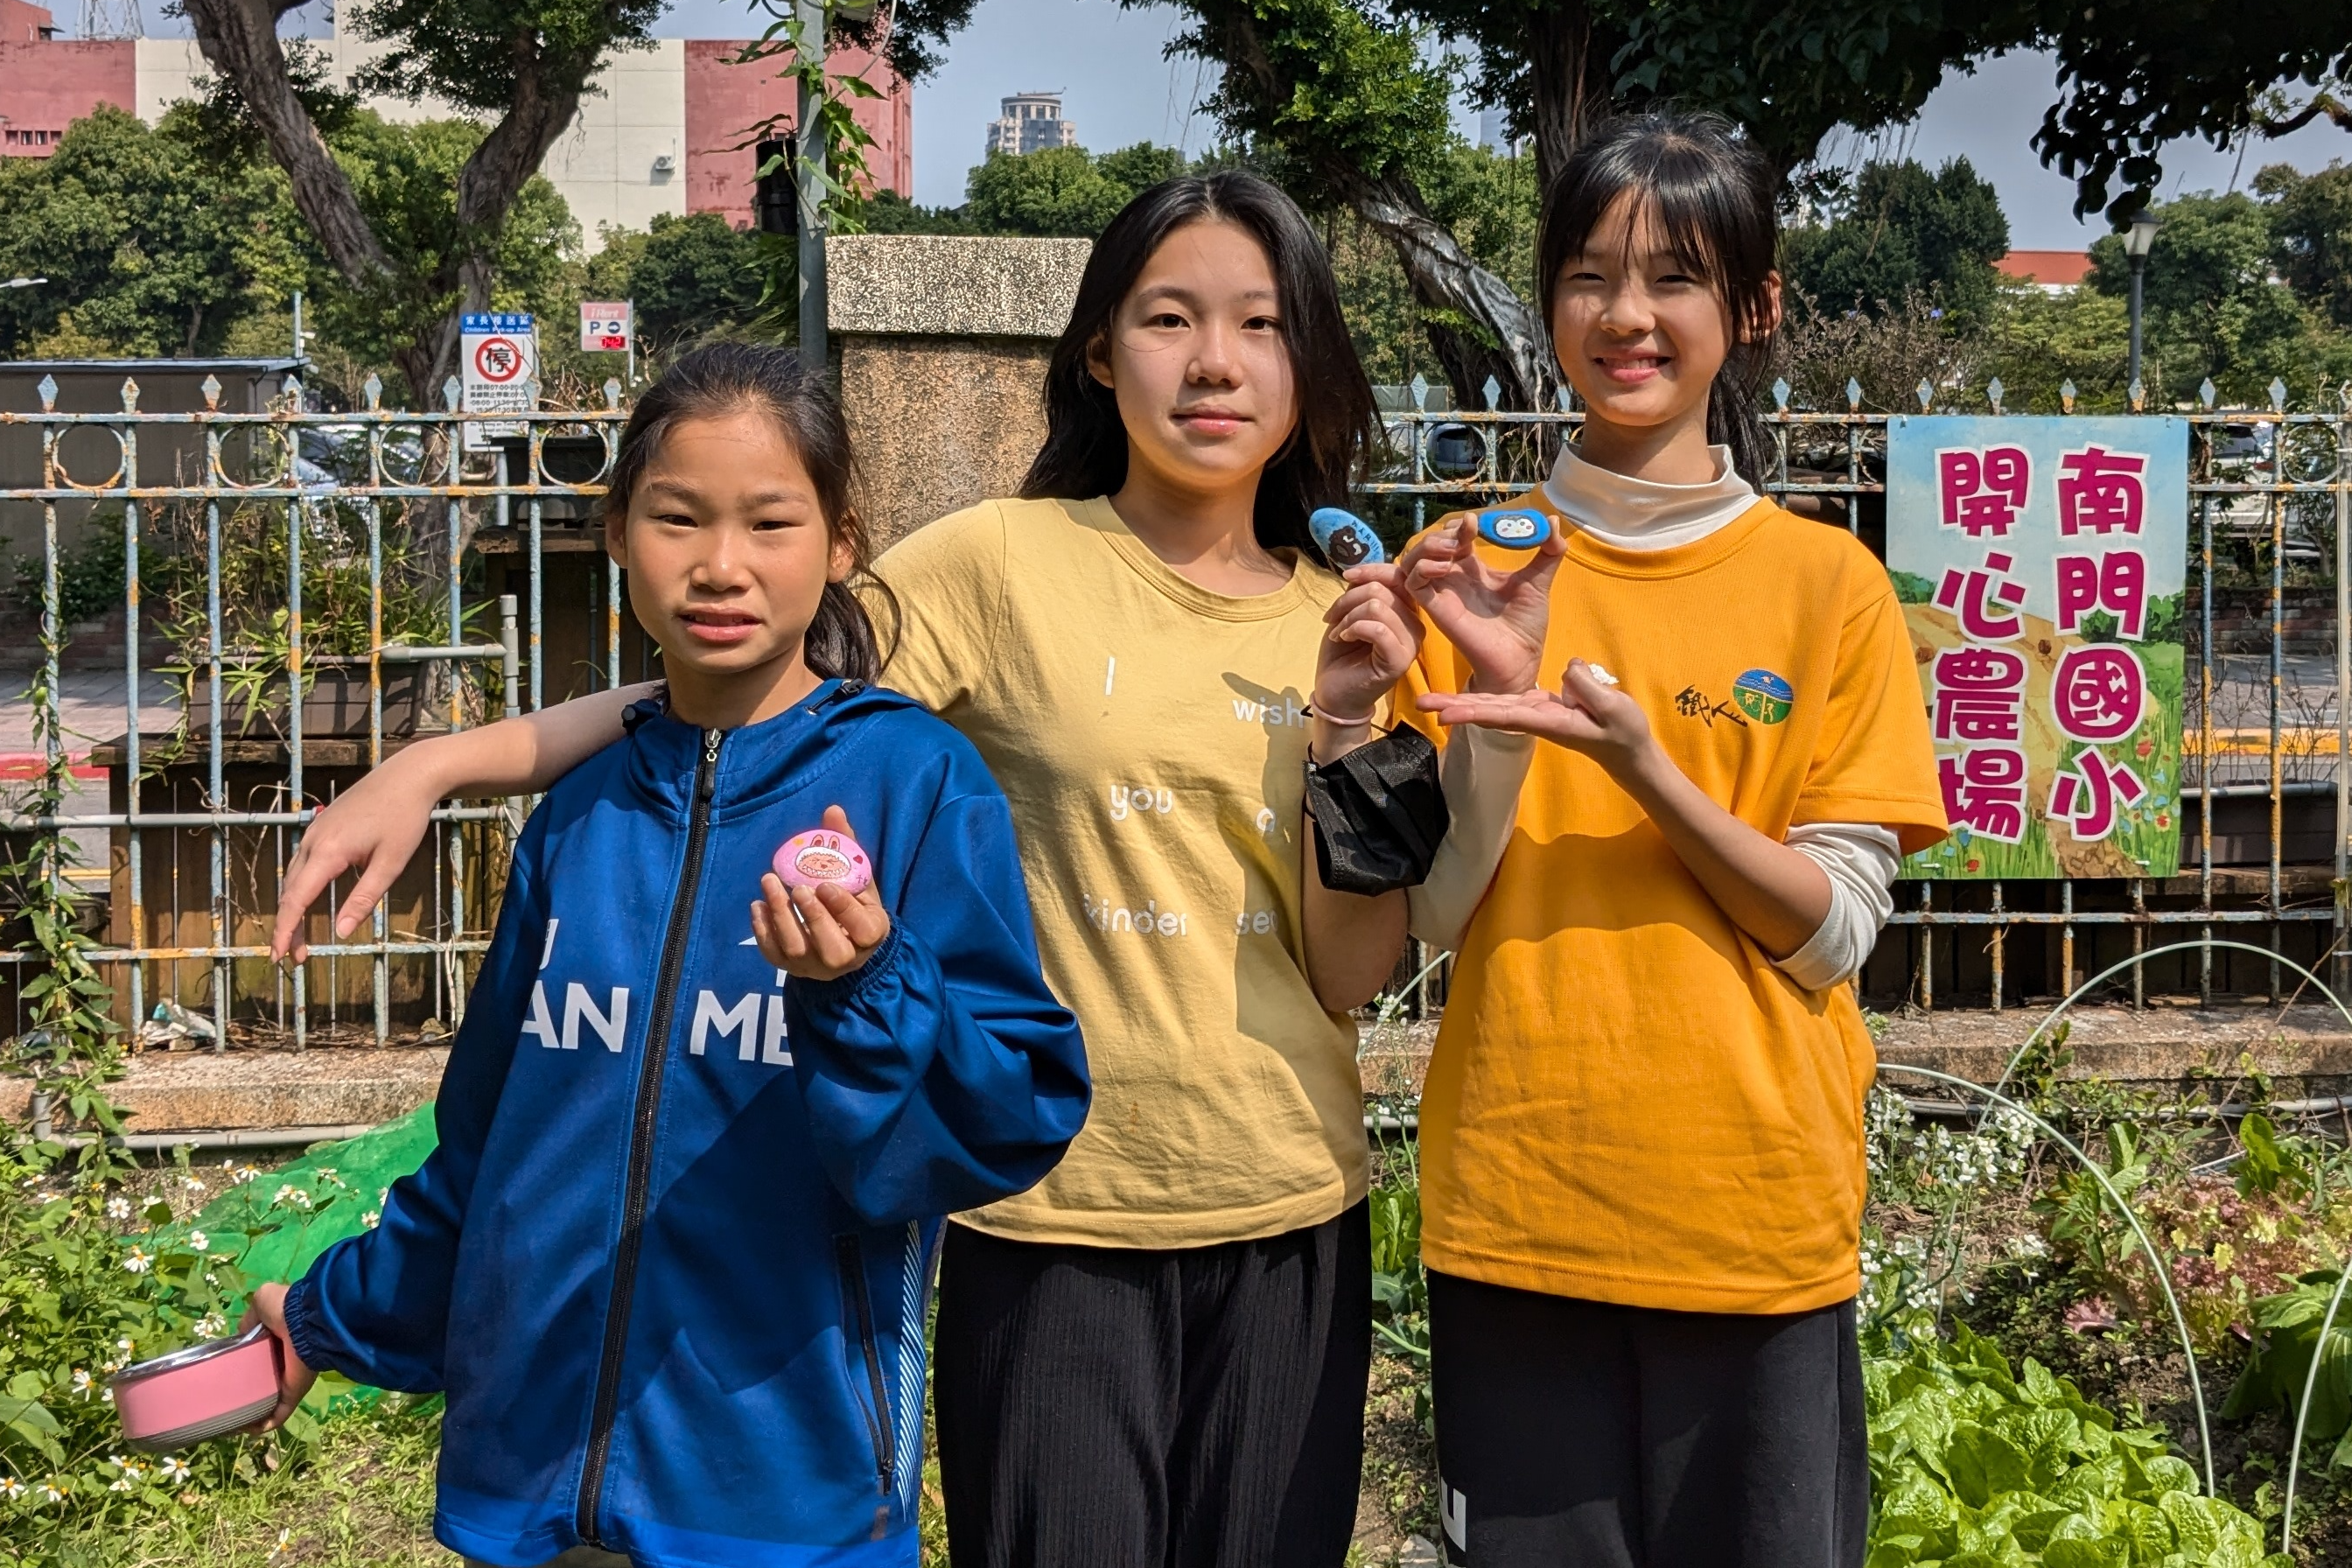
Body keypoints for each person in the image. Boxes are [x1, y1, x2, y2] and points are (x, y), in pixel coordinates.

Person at [264, 174, 1422, 1567]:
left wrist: (1355, 716)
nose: (1217, 360)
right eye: (1170, 317)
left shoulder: (1350, 617)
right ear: (1100, 351)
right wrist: (447, 761)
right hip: (1053, 1212)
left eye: (1262, 322)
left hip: (1293, 1195)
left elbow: (1352, 975)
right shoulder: (1002, 562)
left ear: (1314, 356)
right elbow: (747, 680)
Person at [242, 343, 1091, 1568]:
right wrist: (326, 1321)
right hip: (532, 1485)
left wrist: (863, 989)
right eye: (678, 517)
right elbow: (489, 1152)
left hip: (783, 1498)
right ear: (619, 531)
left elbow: (1010, 1110)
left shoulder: (913, 785)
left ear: (842, 542)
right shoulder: (577, 815)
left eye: (770, 521)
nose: (721, 565)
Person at [1388, 113, 1948, 1566]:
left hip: (1755, 1224)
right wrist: (1501, 721)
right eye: (1587, 276)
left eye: (1676, 279)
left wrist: (1648, 768)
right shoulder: (1465, 568)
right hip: (1518, 1211)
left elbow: (1829, 930)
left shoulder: (1828, 585)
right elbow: (1420, 919)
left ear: (1750, 310)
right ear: (1548, 300)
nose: (1626, 317)